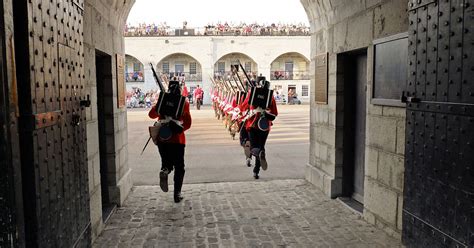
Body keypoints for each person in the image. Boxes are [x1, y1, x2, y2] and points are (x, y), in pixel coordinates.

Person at [148, 81, 192, 203]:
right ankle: (177, 194)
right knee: (179, 167)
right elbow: (188, 123)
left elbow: (151, 115)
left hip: (163, 137)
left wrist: (159, 106)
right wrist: (179, 128)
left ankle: (165, 170)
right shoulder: (184, 103)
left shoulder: (162, 101)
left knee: (166, 162)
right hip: (177, 139)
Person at [239, 79, 278, 179]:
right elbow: (274, 113)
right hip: (264, 125)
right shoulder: (270, 96)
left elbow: (243, 107)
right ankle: (256, 170)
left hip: (252, 124)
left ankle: (254, 153)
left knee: (254, 147)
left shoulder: (252, 93)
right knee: (261, 146)